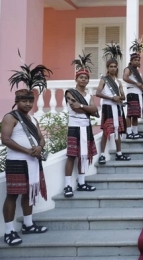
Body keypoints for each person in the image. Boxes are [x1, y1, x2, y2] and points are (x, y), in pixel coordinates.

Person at [2, 59, 51, 246]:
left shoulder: (32, 119)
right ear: (17, 102)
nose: (28, 104)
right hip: (16, 161)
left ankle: (28, 225)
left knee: (29, 193)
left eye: (30, 100)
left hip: (32, 161)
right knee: (13, 195)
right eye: (24, 100)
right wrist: (26, 151)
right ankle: (9, 231)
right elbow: (5, 139)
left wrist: (39, 148)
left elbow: (41, 137)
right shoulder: (10, 117)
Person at [64, 52, 98, 197]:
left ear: (88, 81)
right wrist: (88, 108)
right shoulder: (70, 92)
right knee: (72, 156)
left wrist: (83, 107)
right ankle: (67, 186)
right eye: (81, 77)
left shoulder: (89, 95)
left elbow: (95, 109)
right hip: (74, 126)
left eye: (86, 78)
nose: (83, 79)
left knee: (84, 155)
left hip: (86, 126)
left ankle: (82, 182)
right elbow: (74, 107)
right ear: (76, 79)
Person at [96, 42, 131, 164]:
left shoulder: (119, 82)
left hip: (118, 108)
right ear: (107, 68)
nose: (113, 68)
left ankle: (119, 153)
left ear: (117, 68)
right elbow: (98, 93)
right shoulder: (104, 80)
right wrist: (111, 98)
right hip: (107, 107)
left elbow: (123, 96)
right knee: (106, 131)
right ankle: (102, 155)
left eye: (114, 66)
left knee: (117, 131)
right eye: (110, 66)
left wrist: (120, 97)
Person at [123, 44, 143, 139]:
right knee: (130, 113)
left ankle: (135, 132)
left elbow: (141, 82)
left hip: (138, 93)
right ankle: (129, 133)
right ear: (131, 61)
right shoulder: (128, 69)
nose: (137, 61)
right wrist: (136, 84)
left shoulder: (138, 71)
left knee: (136, 114)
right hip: (132, 93)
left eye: (138, 60)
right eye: (135, 60)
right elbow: (125, 77)